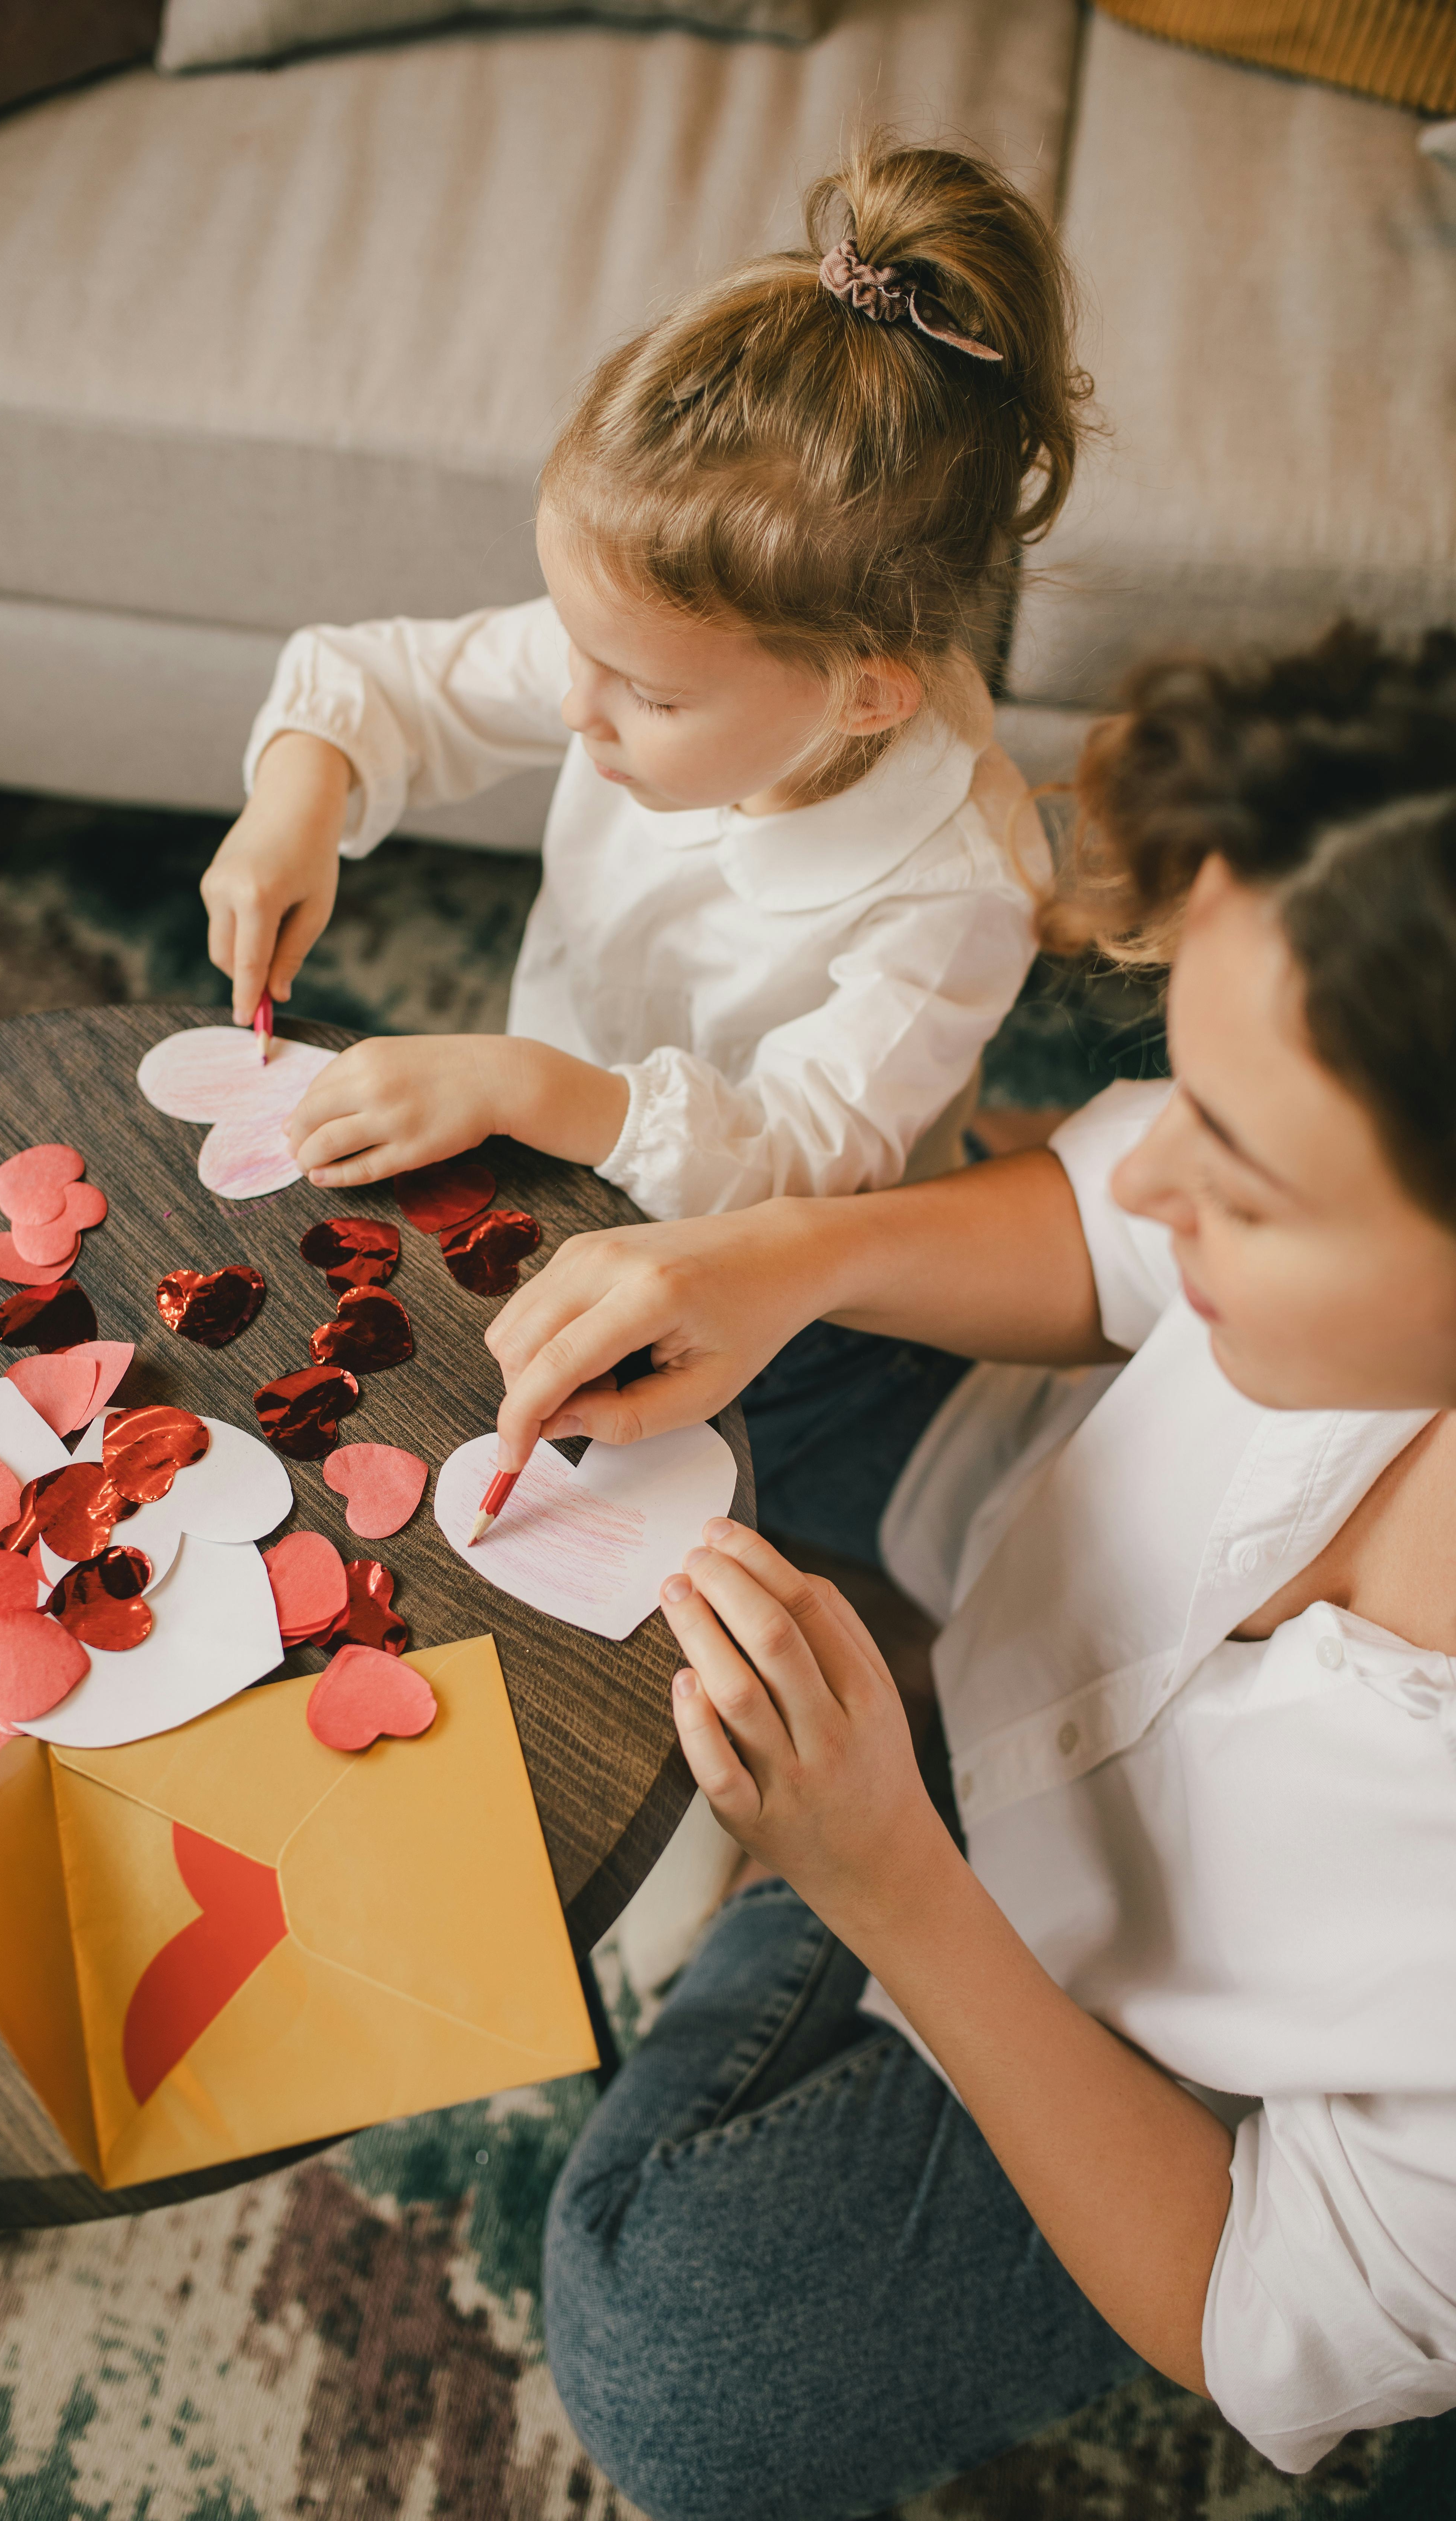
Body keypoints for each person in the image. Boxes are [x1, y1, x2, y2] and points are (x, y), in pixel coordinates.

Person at [473, 625, 1456, 2517]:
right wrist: (792, 1258)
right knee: (629, 1273)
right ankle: (873, 1693)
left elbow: (1255, 2313)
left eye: (1242, 1181)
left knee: (670, 2355)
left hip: (1133, 2033)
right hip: (1019, 1532)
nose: (1160, 1174)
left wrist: (887, 1886)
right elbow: (1109, 1217)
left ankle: (838, 1812)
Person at [198, 136, 1086, 1256]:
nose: (577, 708)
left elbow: (800, 1156)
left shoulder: (960, 893)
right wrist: (297, 803)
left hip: (776, 1281)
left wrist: (531, 1088)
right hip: (543, 1143)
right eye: (575, 646)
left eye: (651, 700)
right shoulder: (639, 659)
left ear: (864, 699)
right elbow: (380, 682)